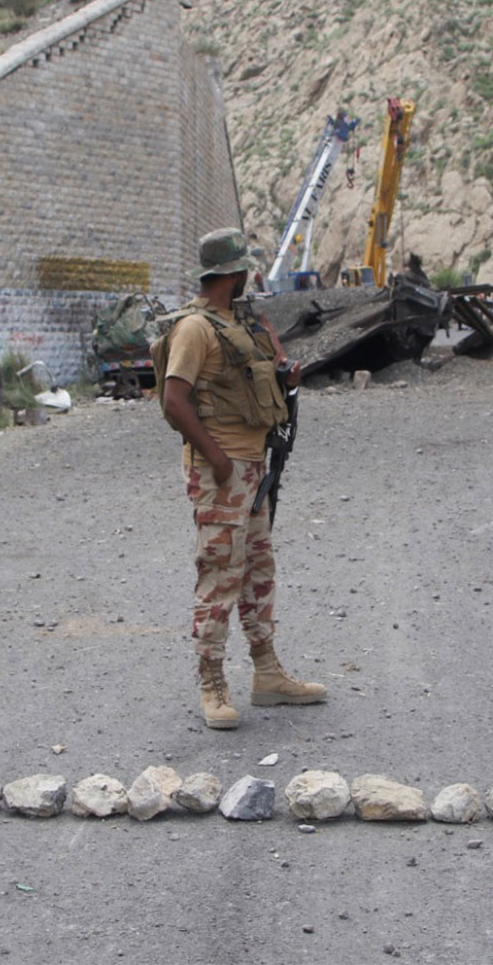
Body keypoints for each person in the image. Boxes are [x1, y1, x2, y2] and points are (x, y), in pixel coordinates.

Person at [161, 228, 327, 730]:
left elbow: (256, 384)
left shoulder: (241, 324)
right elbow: (173, 400)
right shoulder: (194, 328)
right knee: (219, 575)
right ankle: (212, 683)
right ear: (230, 273)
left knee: (258, 570)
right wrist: (218, 460)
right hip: (223, 471)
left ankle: (268, 674)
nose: (251, 277)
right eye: (247, 270)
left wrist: (285, 380)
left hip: (253, 470)